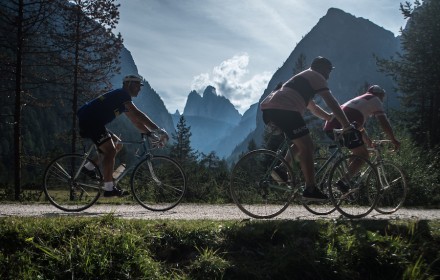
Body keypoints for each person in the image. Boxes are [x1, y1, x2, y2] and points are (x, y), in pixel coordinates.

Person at [260, 56, 359, 201]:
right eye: (328, 70)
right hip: (285, 110)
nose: (329, 74)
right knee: (308, 145)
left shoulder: (304, 79)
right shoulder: (316, 75)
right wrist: (346, 125)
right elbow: (331, 101)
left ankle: (281, 168)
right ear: (321, 68)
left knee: (300, 143)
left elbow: (313, 107)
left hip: (271, 110)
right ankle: (310, 188)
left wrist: (328, 118)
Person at [77, 74, 169, 197]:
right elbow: (138, 114)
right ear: (128, 84)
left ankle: (88, 168)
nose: (139, 89)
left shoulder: (122, 101)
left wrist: (151, 134)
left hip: (94, 122)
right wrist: (159, 131)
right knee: (110, 151)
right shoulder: (122, 94)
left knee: (118, 144)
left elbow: (136, 121)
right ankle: (109, 189)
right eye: (137, 85)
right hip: (90, 121)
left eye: (140, 86)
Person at [323, 85, 400, 150]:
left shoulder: (362, 99)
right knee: (362, 155)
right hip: (341, 127)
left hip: (330, 126)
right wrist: (393, 139)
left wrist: (369, 143)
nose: (382, 100)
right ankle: (349, 168)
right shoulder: (375, 99)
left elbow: (359, 128)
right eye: (382, 96)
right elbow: (383, 122)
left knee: (357, 153)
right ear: (379, 94)